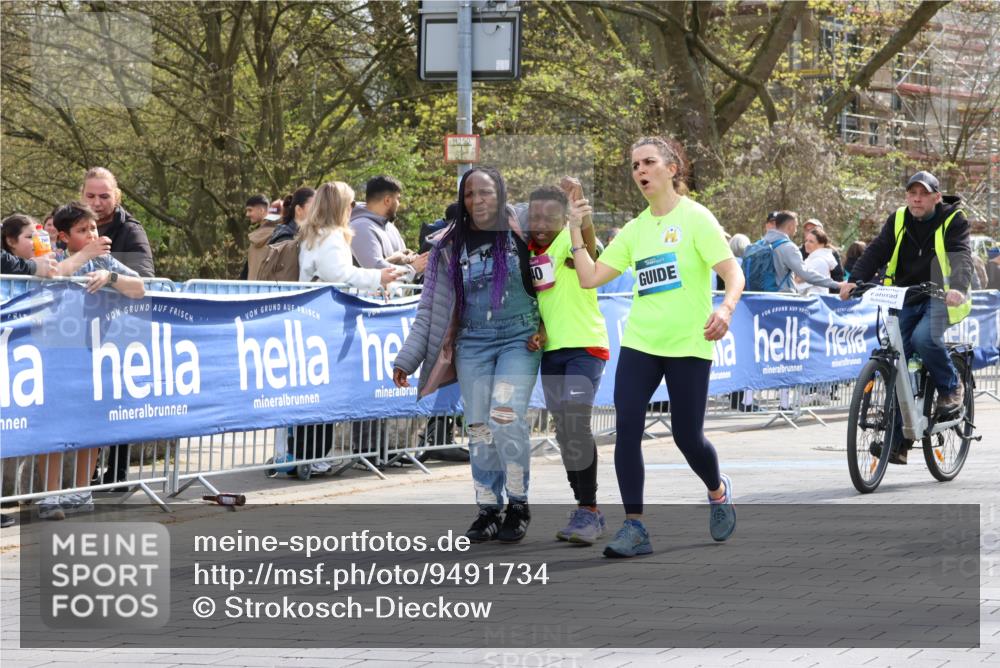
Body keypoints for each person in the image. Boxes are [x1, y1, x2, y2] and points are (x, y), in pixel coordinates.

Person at [564, 135, 744, 557]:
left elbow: (733, 274)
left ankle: (717, 491)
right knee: (627, 429)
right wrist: (575, 228)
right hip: (641, 343)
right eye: (634, 166)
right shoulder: (635, 229)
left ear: (671, 168)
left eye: (648, 162)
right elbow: (590, 277)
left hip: (689, 343)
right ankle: (635, 526)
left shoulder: (696, 218)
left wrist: (726, 309)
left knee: (687, 437)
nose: (640, 171)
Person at [392, 166, 540, 544]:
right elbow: (430, 309)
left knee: (505, 417)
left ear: (500, 193)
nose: (477, 200)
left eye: (485, 192)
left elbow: (570, 257)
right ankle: (488, 509)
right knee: (478, 428)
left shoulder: (523, 225)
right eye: (470, 194)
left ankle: (518, 503)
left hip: (519, 338)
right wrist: (407, 358)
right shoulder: (447, 246)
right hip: (472, 343)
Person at [840, 170, 972, 462]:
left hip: (941, 295)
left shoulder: (954, 219)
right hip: (906, 295)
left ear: (937, 197)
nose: (917, 199)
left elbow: (961, 255)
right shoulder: (898, 218)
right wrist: (854, 280)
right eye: (912, 193)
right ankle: (899, 442)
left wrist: (958, 288)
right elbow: (877, 250)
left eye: (923, 194)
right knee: (897, 360)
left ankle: (951, 387)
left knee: (924, 338)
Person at [35, 202, 145, 519]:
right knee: (55, 424)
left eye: (94, 228)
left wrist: (111, 277)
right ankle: (49, 495)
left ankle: (82, 491)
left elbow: (139, 287)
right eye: (83, 230)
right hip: (57, 352)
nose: (92, 234)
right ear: (64, 236)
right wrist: (85, 255)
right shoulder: (54, 256)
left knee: (91, 423)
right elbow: (54, 276)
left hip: (95, 350)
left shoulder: (104, 259)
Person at [524, 180, 608, 545]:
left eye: (550, 217)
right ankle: (584, 507)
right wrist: (541, 330)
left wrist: (579, 212)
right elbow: (544, 301)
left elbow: (588, 240)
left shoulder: (569, 242)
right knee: (564, 431)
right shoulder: (529, 253)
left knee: (576, 422)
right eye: (535, 217)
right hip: (552, 352)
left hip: (586, 347)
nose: (541, 224)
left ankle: (589, 509)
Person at [350, 175, 428, 281]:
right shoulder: (360, 227)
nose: (399, 204)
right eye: (398, 199)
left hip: (394, 291)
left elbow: (405, 255)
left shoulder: (390, 227)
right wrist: (412, 269)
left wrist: (415, 259)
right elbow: (374, 269)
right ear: (387, 200)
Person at [81, 167, 154, 277]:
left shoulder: (131, 231)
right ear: (82, 195)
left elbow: (145, 279)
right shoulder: (68, 227)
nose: (97, 203)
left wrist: (111, 277)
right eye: (90, 196)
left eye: (104, 197)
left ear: (116, 196)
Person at [755, 211, 844, 293]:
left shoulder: (758, 245)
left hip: (757, 296)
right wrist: (836, 284)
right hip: (781, 299)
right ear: (790, 226)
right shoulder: (789, 247)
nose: (796, 230)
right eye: (796, 226)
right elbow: (805, 274)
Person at [239, 195, 281, 280]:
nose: (247, 214)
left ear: (261, 210)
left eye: (250, 210)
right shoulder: (258, 237)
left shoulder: (277, 236)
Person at [794, 228, 838, 296]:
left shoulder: (819, 261)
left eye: (811, 241)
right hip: (810, 298)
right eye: (806, 240)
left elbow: (799, 282)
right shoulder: (812, 258)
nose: (807, 244)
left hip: (815, 299)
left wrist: (797, 277)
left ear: (821, 244)